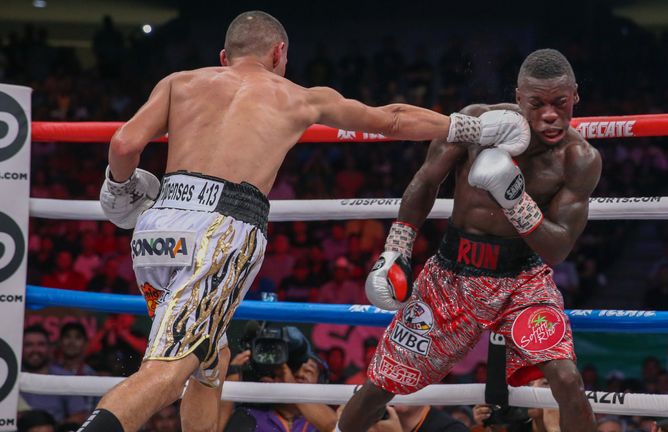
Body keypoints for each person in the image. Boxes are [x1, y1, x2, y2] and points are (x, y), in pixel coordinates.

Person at [89, 10, 526, 432]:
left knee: (211, 357)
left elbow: (124, 145)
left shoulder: (178, 82)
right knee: (167, 370)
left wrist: (119, 186)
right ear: (279, 53)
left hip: (157, 228)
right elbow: (391, 119)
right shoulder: (298, 96)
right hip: (219, 232)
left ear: (224, 57)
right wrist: (475, 129)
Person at [339, 48, 601, 432]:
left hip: (522, 280)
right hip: (451, 276)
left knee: (567, 379)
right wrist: (396, 249)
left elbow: (558, 248)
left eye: (560, 103)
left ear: (575, 95)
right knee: (381, 384)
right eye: (537, 104)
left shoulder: (578, 158)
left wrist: (514, 199)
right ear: (518, 98)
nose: (550, 115)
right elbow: (425, 181)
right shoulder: (477, 123)